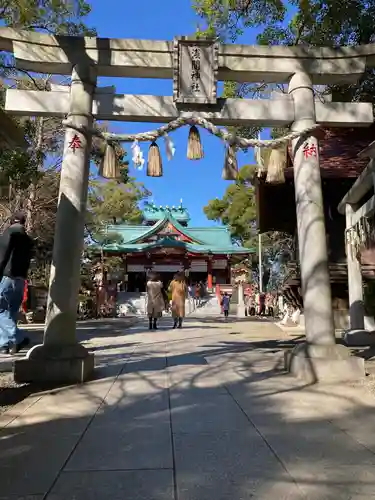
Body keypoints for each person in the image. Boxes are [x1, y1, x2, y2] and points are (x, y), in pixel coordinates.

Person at [0, 212, 33, 355]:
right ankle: (5, 344)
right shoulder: (28, 240)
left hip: (8, 277)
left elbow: (3, 255)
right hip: (21, 279)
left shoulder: (10, 233)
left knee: (1, 310)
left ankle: (19, 337)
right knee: (10, 313)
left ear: (11, 221)